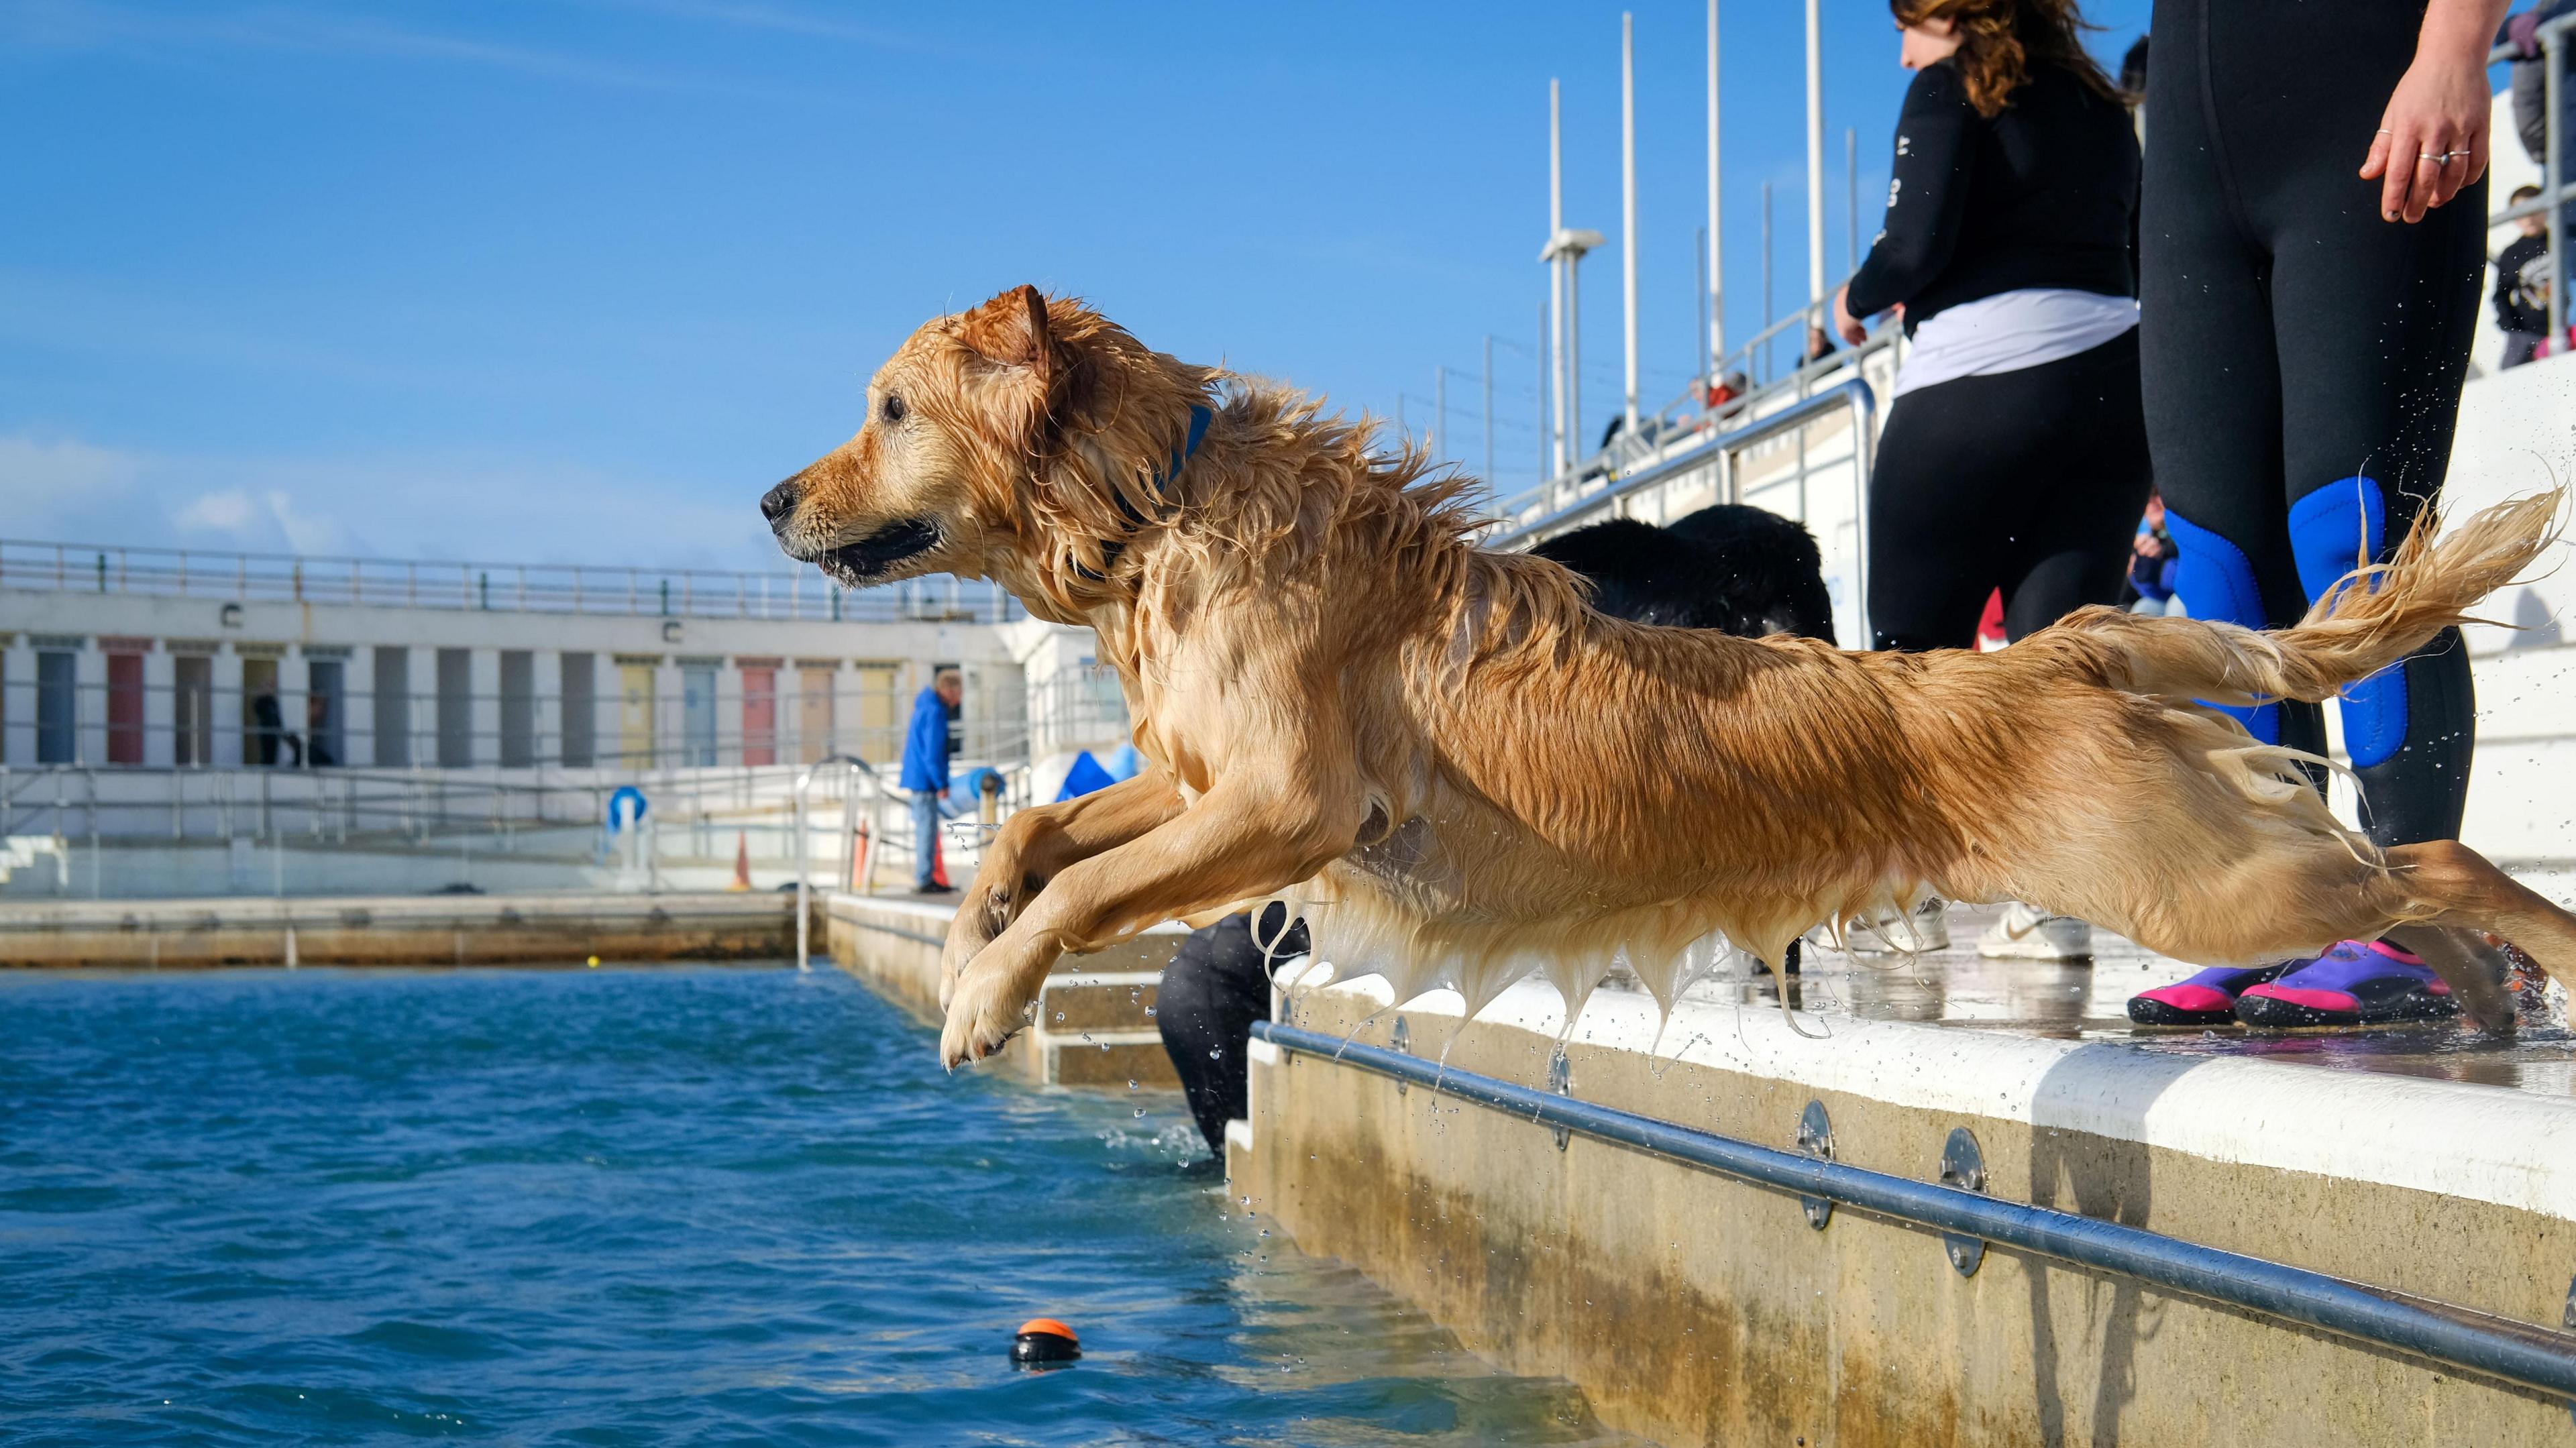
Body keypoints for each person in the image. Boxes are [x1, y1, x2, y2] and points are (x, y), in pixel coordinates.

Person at [2126, 0, 2509, 1030]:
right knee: (2221, 570)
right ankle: (2282, 914)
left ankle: (2419, 922)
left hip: (2366, 105)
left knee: (2356, 542)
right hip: (2193, 163)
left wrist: (2453, 48)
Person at [1831, 0, 2153, 961]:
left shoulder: (1952, 87)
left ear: (1959, 15)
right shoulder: (2102, 105)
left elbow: (1915, 246)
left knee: (1909, 662)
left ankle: (1905, 893)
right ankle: (2054, 898)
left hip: (1976, 387)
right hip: (2109, 388)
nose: (1901, 51)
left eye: (1910, 24)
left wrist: (1852, 300)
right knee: (2057, 665)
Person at [899, 667, 965, 894]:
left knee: (925, 829)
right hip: (925, 781)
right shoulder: (935, 712)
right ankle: (925, 879)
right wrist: (941, 783)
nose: (960, 698)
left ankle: (926, 877)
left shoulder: (925, 706)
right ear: (948, 690)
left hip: (918, 778)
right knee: (927, 830)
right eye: (959, 692)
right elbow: (933, 753)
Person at [2496, 183, 2553, 368]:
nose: (2528, 218)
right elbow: (2501, 295)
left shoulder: (2565, 239)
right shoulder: (2511, 254)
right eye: (2521, 213)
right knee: (2510, 376)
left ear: (2545, 208)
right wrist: (2511, 326)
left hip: (2568, 326)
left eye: (2533, 210)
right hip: (2530, 333)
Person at [2125, 492, 2182, 615]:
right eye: (2147, 497)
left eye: (2157, 494)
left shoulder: (2184, 530)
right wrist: (2140, 569)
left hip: (2187, 597)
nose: (2152, 502)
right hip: (2162, 599)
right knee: (2144, 609)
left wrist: (2162, 566)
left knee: (2177, 605)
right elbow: (2150, 592)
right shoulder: (2143, 540)